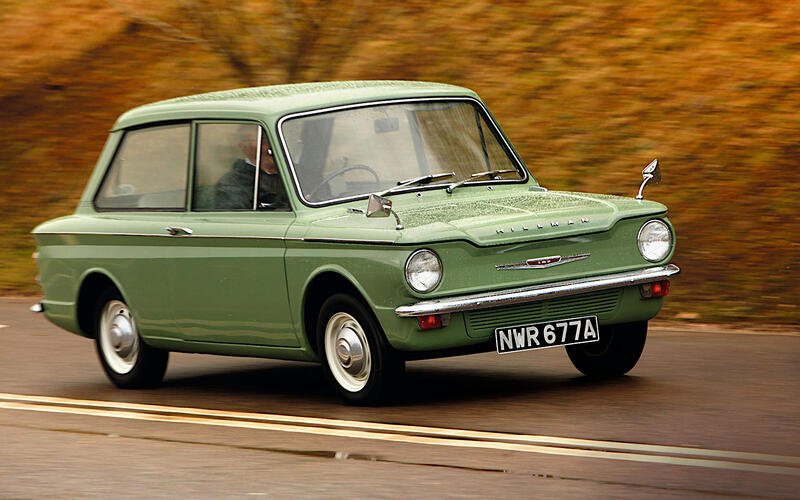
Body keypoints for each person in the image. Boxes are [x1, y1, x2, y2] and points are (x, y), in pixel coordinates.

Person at [215, 127, 289, 210]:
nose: (271, 147)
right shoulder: (233, 182)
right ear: (244, 147)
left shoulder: (294, 174)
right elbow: (237, 218)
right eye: (264, 141)